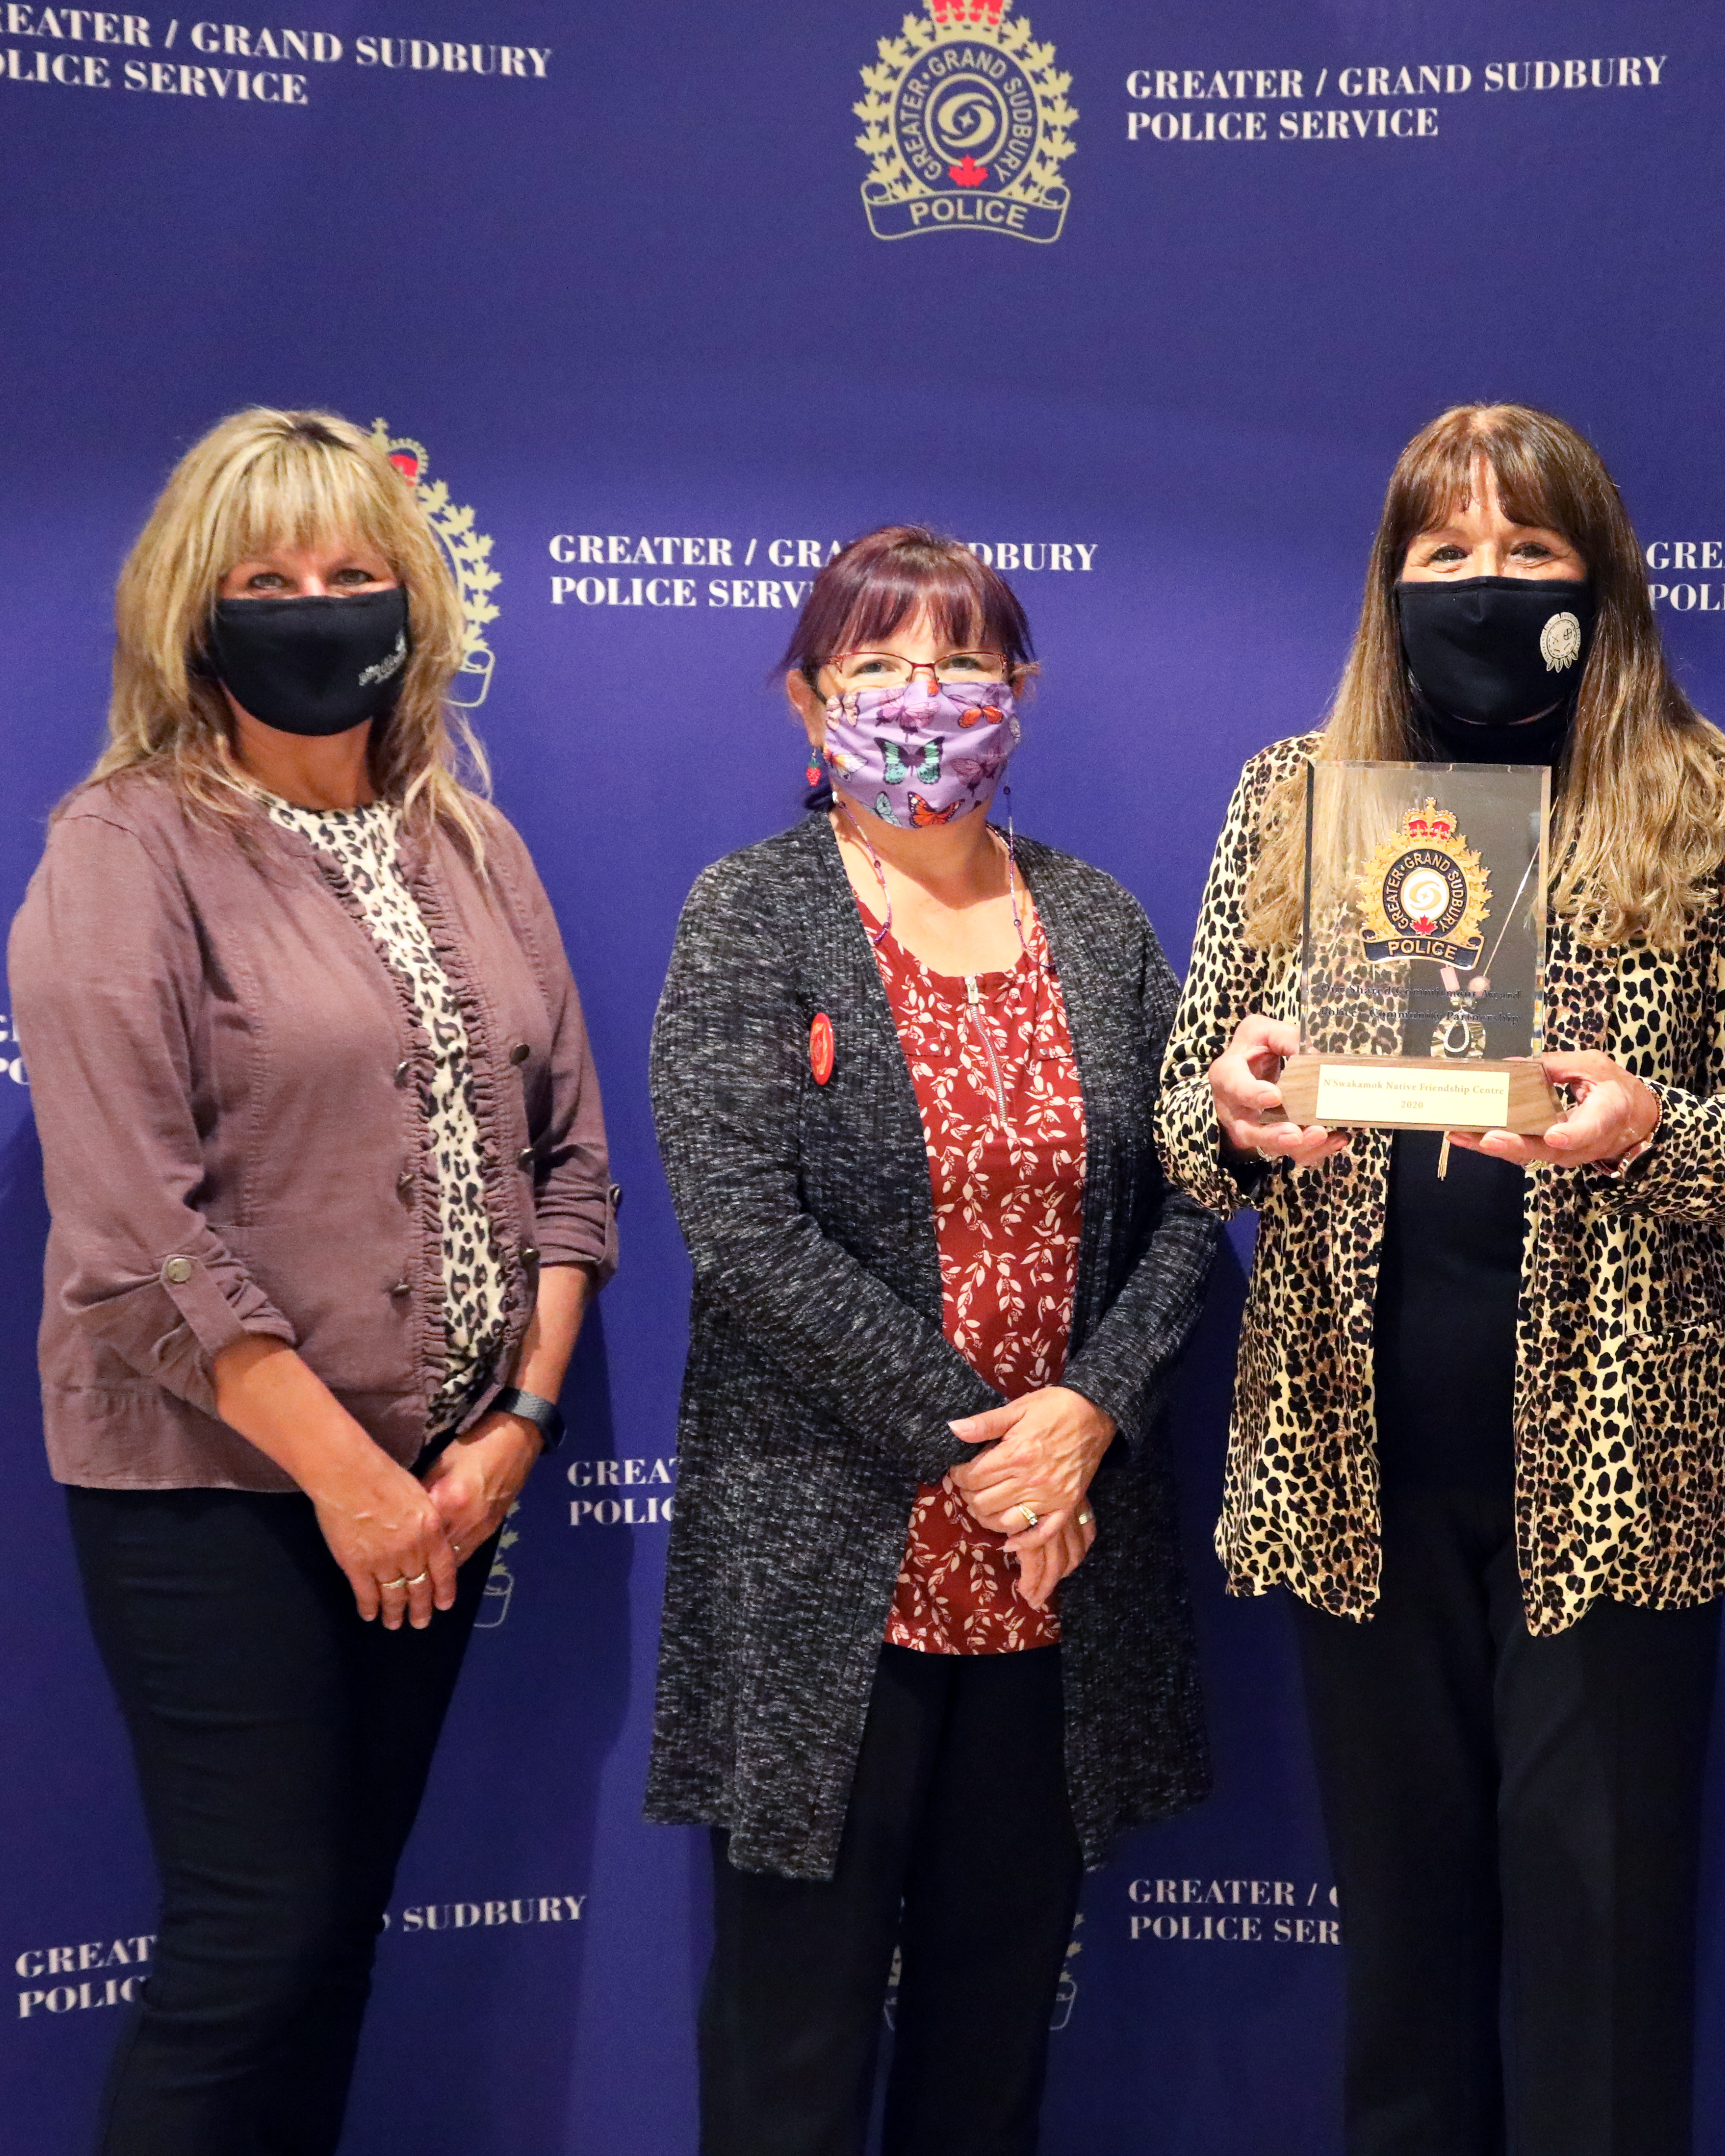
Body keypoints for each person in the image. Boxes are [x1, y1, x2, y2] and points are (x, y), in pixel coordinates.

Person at [1157, 404, 1725, 2156]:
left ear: (1596, 577)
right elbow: (1186, 1113)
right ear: (1391, 583)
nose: (1484, 583)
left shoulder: (1707, 800)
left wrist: (1642, 1130)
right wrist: (1238, 1106)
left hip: (1618, 1490)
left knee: (1600, 1977)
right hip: (1349, 1472)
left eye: (1527, 551)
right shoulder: (1292, 801)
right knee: (1405, 1972)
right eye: (1445, 552)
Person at [9, 406, 615, 2155]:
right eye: (267, 579)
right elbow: (133, 1245)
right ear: (191, 613)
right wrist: (355, 1487)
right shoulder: (125, 852)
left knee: (337, 1939)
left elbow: (570, 1173)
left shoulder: (478, 850)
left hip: (443, 1491)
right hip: (222, 1496)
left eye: (354, 575)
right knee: (250, 1947)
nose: (315, 608)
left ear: (412, 605)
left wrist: (512, 1430)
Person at [647, 525, 1218, 2156]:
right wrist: (1002, 1465)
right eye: (878, 664)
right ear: (806, 702)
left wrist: (1090, 1417)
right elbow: (746, 1231)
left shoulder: (1100, 925)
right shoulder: (754, 914)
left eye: (960, 659)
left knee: (991, 2053)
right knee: (794, 2055)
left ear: (1018, 693)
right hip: (842, 1562)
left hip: (1054, 1593)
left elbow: (1189, 1202)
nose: (923, 696)